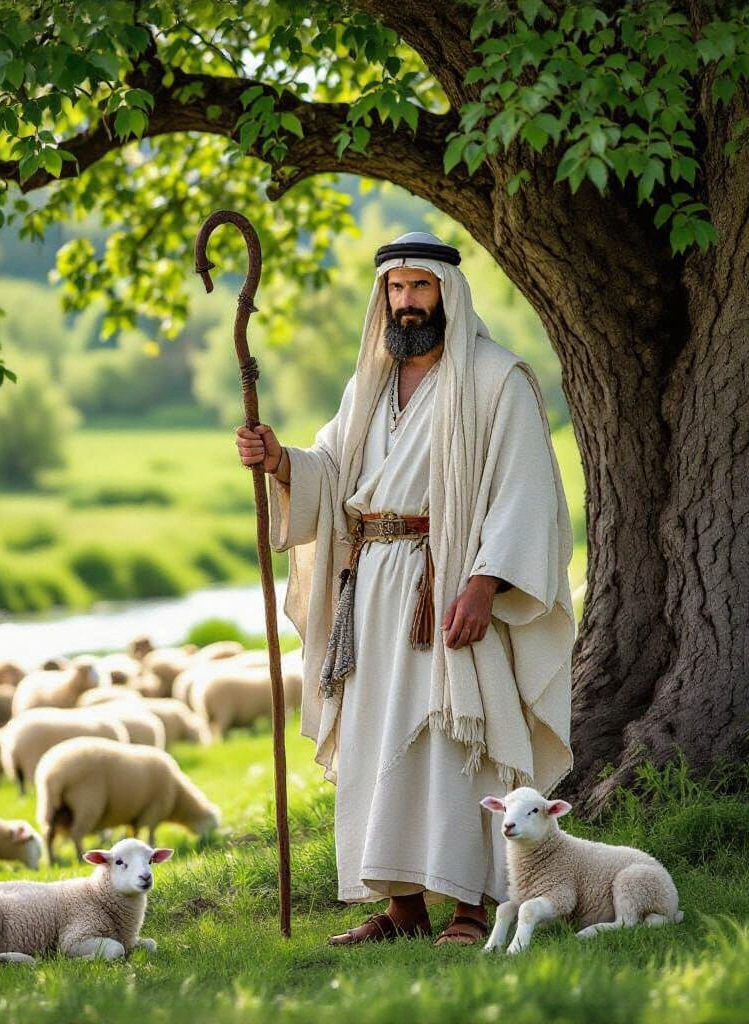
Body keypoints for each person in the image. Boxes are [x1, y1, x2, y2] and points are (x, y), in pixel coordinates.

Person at [233, 231, 576, 947]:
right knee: (373, 738)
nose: (407, 302)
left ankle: (472, 907)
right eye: (396, 289)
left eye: (420, 288)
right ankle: (402, 907)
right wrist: (280, 460)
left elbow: (526, 492)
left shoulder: (495, 379)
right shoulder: (369, 384)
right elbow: (331, 474)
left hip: (446, 580)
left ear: (447, 293)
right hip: (369, 588)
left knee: (457, 738)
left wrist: (484, 584)